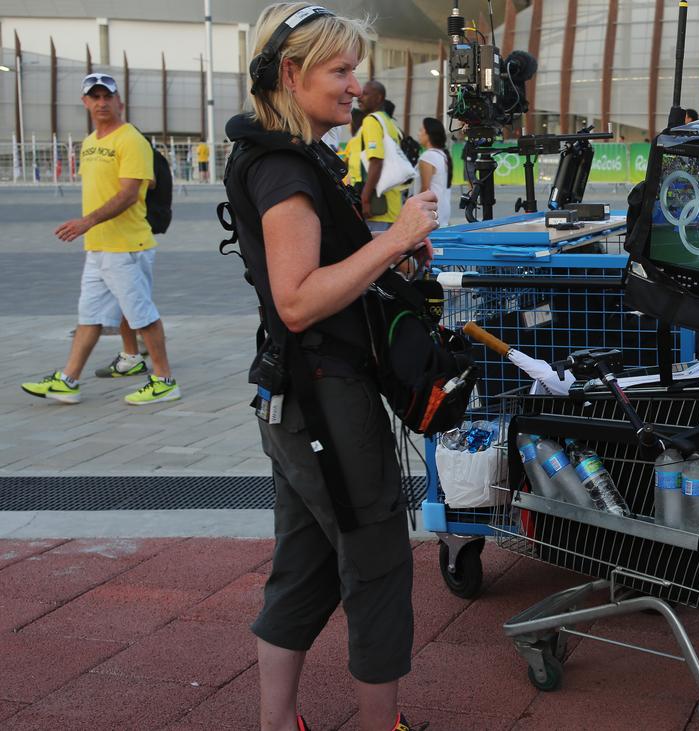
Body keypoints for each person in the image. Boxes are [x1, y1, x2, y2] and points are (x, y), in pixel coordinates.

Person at [222, 4, 439, 730]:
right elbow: (296, 299)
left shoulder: (283, 155)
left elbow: (312, 273)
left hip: (293, 399)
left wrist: (385, 249)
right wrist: (396, 237)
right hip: (326, 399)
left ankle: (277, 721)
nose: (357, 85)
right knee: (378, 568)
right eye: (341, 70)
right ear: (291, 72)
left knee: (306, 566)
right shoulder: (285, 168)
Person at [21, 72, 181, 406]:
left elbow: (127, 195)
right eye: (94, 97)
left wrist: (87, 221)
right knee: (90, 316)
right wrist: (90, 228)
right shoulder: (91, 142)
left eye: (107, 96)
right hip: (98, 246)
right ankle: (69, 380)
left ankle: (164, 380)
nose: (101, 102)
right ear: (85, 102)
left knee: (142, 314)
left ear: (119, 101)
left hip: (126, 246)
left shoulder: (130, 140)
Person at [357, 80, 406, 233]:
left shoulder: (371, 121)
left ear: (379, 98)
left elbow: (376, 161)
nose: (359, 97)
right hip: (392, 205)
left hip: (377, 206)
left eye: (365, 94)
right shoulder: (388, 122)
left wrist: (364, 200)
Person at [412, 116, 453, 226]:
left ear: (428, 134)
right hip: (442, 213)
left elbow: (425, 190)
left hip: (430, 215)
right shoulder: (442, 155)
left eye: (421, 130)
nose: (419, 134)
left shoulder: (428, 157)